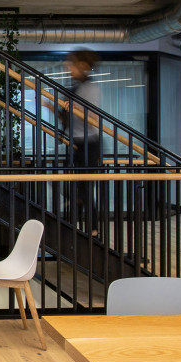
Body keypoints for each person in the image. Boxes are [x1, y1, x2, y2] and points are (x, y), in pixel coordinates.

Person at [49, 49, 102, 235]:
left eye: (71, 64)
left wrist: (77, 109)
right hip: (74, 143)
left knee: (85, 188)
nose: (68, 67)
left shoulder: (90, 88)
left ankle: (93, 228)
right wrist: (51, 107)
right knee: (74, 186)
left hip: (90, 143)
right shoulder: (74, 87)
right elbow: (67, 119)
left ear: (83, 66)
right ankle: (75, 227)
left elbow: (93, 118)